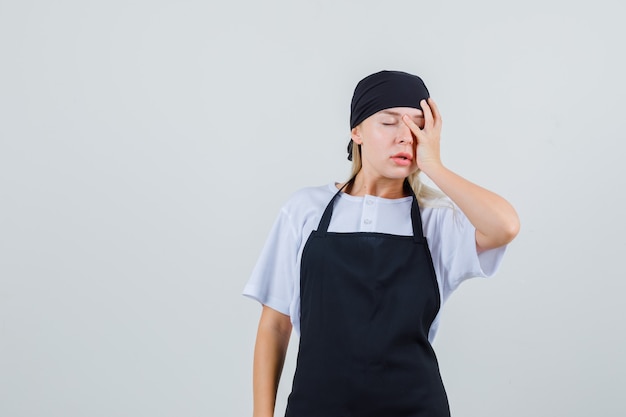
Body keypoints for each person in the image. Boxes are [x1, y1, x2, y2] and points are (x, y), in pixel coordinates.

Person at [243, 70, 520, 417]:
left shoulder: (436, 222)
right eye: (389, 122)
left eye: (418, 125)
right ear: (356, 131)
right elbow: (275, 324)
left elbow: (505, 226)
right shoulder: (304, 210)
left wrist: (433, 164)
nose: (405, 136)